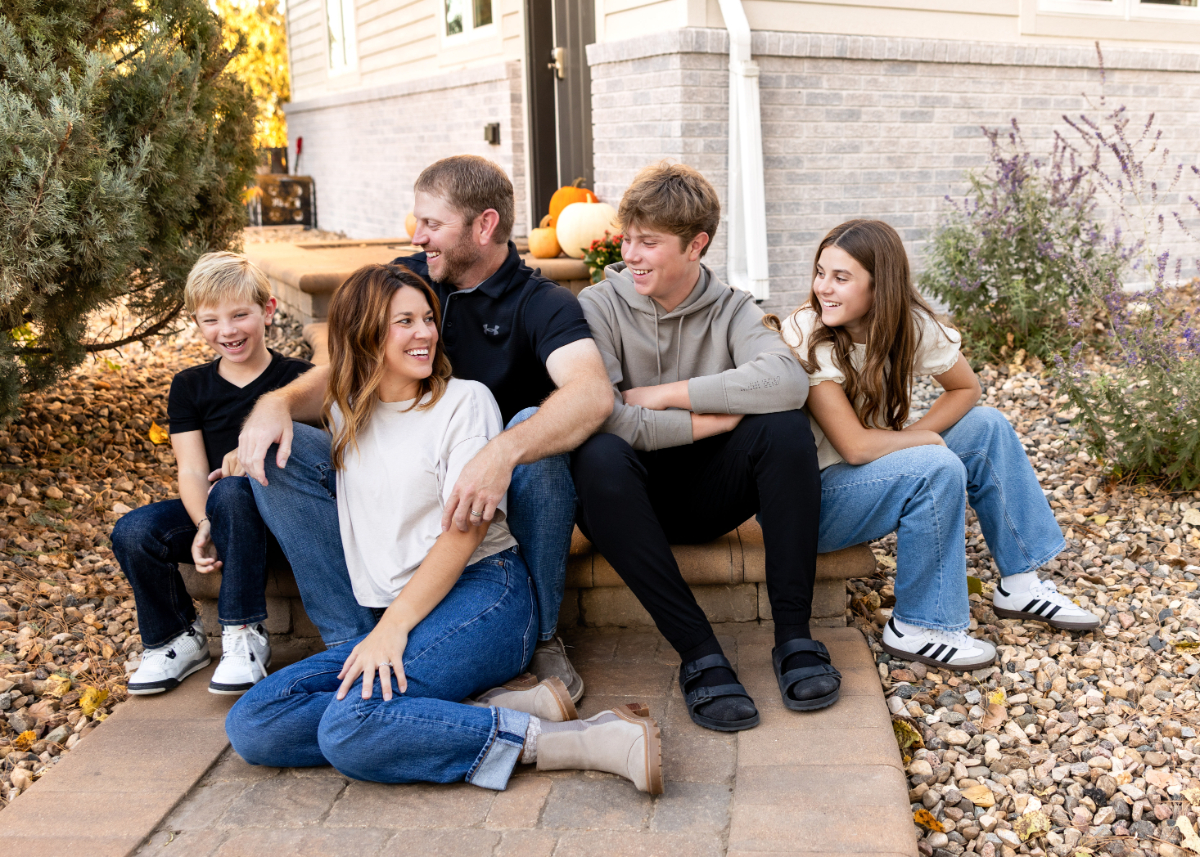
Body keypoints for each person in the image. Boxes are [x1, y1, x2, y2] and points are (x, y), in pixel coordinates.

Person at [225, 264, 663, 794]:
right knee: (254, 725)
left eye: (428, 319)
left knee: (350, 727)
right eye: (404, 321)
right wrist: (268, 410)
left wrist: (390, 629)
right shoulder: (345, 408)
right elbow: (305, 399)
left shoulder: (464, 401)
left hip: (484, 596)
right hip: (403, 613)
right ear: (366, 333)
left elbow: (465, 533)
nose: (426, 333)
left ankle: (583, 740)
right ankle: (473, 708)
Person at [236, 156, 610, 702]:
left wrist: (501, 452)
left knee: (536, 432)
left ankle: (543, 632)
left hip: (493, 497)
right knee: (277, 455)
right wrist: (279, 402)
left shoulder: (542, 302)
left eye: (432, 224)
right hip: (408, 463)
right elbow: (351, 363)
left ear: (483, 226)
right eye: (418, 223)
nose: (418, 236)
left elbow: (592, 393)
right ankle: (352, 635)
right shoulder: (411, 279)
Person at [571, 163, 839, 734]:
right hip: (622, 501)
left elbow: (788, 383)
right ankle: (700, 653)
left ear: (697, 245)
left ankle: (794, 635)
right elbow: (607, 416)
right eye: (627, 239)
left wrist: (668, 394)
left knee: (786, 428)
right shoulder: (598, 305)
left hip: (708, 498)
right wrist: (710, 423)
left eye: (650, 242)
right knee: (596, 453)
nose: (632, 254)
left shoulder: (733, 308)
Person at [779, 219, 1099, 672]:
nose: (823, 288)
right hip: (813, 504)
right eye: (820, 272)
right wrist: (925, 441)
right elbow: (852, 448)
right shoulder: (807, 332)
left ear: (880, 286)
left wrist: (922, 435)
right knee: (932, 465)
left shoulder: (908, 326)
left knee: (986, 427)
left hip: (870, 473)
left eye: (841, 277)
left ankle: (1021, 582)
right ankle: (919, 626)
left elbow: (966, 390)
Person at [113, 253, 312, 695]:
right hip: (216, 516)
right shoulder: (189, 385)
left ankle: (244, 630)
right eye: (211, 320)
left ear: (269, 309)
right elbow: (193, 468)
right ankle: (176, 637)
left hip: (277, 521)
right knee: (133, 531)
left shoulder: (298, 380)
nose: (228, 331)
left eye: (240, 314)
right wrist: (204, 523)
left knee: (234, 491)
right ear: (197, 323)